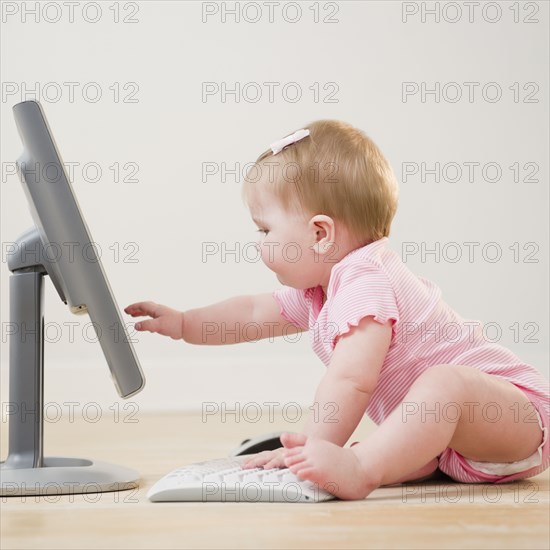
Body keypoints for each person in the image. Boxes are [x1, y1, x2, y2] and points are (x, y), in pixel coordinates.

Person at [125, 120, 549, 500]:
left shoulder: (366, 280)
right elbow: (254, 313)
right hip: (454, 448)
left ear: (320, 233)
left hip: (517, 419)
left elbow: (351, 380)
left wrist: (317, 443)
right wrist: (185, 323)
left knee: (444, 384)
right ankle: (387, 461)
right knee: (403, 437)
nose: (258, 243)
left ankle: (362, 470)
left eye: (265, 229)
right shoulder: (321, 289)